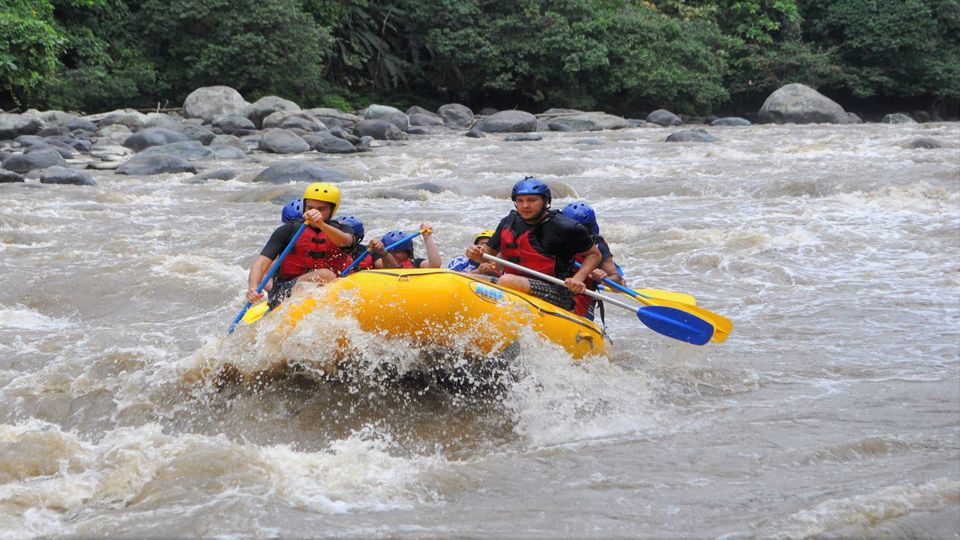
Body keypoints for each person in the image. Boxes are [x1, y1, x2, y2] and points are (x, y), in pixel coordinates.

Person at [465, 177, 601, 311]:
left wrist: (578, 278)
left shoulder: (566, 227)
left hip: (556, 291)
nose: (525, 206)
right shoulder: (508, 222)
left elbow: (594, 255)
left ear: (545, 201)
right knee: (465, 278)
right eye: (520, 200)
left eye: (532, 200)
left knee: (508, 281)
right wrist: (475, 252)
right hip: (511, 283)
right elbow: (487, 255)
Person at [246, 182, 355, 308]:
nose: (314, 212)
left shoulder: (343, 229)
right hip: (285, 291)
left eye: (321, 209)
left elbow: (345, 241)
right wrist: (253, 288)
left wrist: (321, 224)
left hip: (332, 288)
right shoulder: (287, 230)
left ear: (332, 210)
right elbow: (260, 263)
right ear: (304, 207)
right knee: (324, 275)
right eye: (310, 208)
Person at [561, 201, 625, 320]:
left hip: (584, 296)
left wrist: (601, 280)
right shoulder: (552, 239)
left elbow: (620, 284)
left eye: (580, 229)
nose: (575, 234)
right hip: (557, 289)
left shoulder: (598, 246)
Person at [376, 223, 441, 268]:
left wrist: (427, 237)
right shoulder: (380, 262)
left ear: (407, 253)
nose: (392, 255)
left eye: (397, 252)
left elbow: (435, 265)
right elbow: (389, 265)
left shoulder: (415, 263)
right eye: (389, 252)